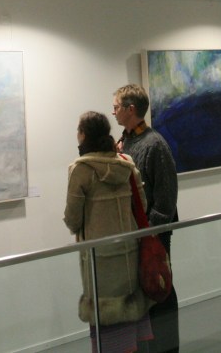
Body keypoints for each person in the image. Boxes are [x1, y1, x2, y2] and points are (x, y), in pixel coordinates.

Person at [64, 111, 153, 353]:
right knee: (131, 324)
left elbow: (72, 219)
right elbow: (142, 206)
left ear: (83, 135)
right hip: (129, 253)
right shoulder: (126, 163)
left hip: (99, 261)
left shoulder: (81, 169)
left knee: (107, 332)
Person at [115, 84, 179, 353]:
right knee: (145, 296)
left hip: (153, 235)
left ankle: (167, 349)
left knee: (160, 291)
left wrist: (149, 233)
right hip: (137, 235)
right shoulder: (126, 141)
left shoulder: (155, 144)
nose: (113, 111)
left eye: (117, 106)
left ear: (131, 109)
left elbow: (166, 198)